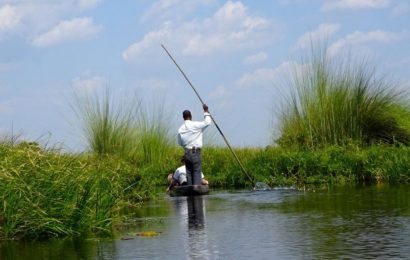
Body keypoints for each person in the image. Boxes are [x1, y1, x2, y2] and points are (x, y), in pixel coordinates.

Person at [177, 104, 211, 185]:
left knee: (189, 174)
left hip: (187, 154)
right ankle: (196, 194)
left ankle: (190, 194)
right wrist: (206, 111)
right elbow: (208, 122)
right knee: (196, 173)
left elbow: (180, 143)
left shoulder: (180, 128)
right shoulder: (195, 125)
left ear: (183, 117)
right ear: (191, 116)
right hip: (195, 153)